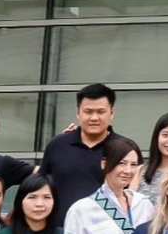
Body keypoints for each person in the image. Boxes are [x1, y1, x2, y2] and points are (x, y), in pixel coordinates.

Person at [38, 82, 117, 225]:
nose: (94, 118)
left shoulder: (123, 149)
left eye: (100, 112)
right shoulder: (57, 145)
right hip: (59, 233)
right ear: (77, 113)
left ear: (111, 113)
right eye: (88, 111)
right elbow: (39, 186)